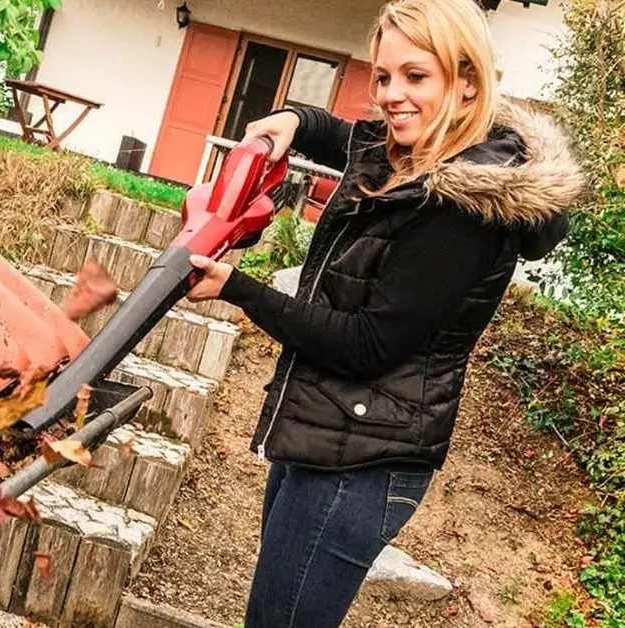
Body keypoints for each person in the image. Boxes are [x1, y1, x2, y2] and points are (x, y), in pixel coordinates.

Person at [185, 0, 586, 625]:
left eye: (415, 76)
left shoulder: (462, 211)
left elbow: (368, 345)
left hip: (360, 463)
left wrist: (239, 288)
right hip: (330, 433)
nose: (392, 95)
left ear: (467, 81)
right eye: (383, 76)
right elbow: (344, 136)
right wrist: (293, 119)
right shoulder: (415, 152)